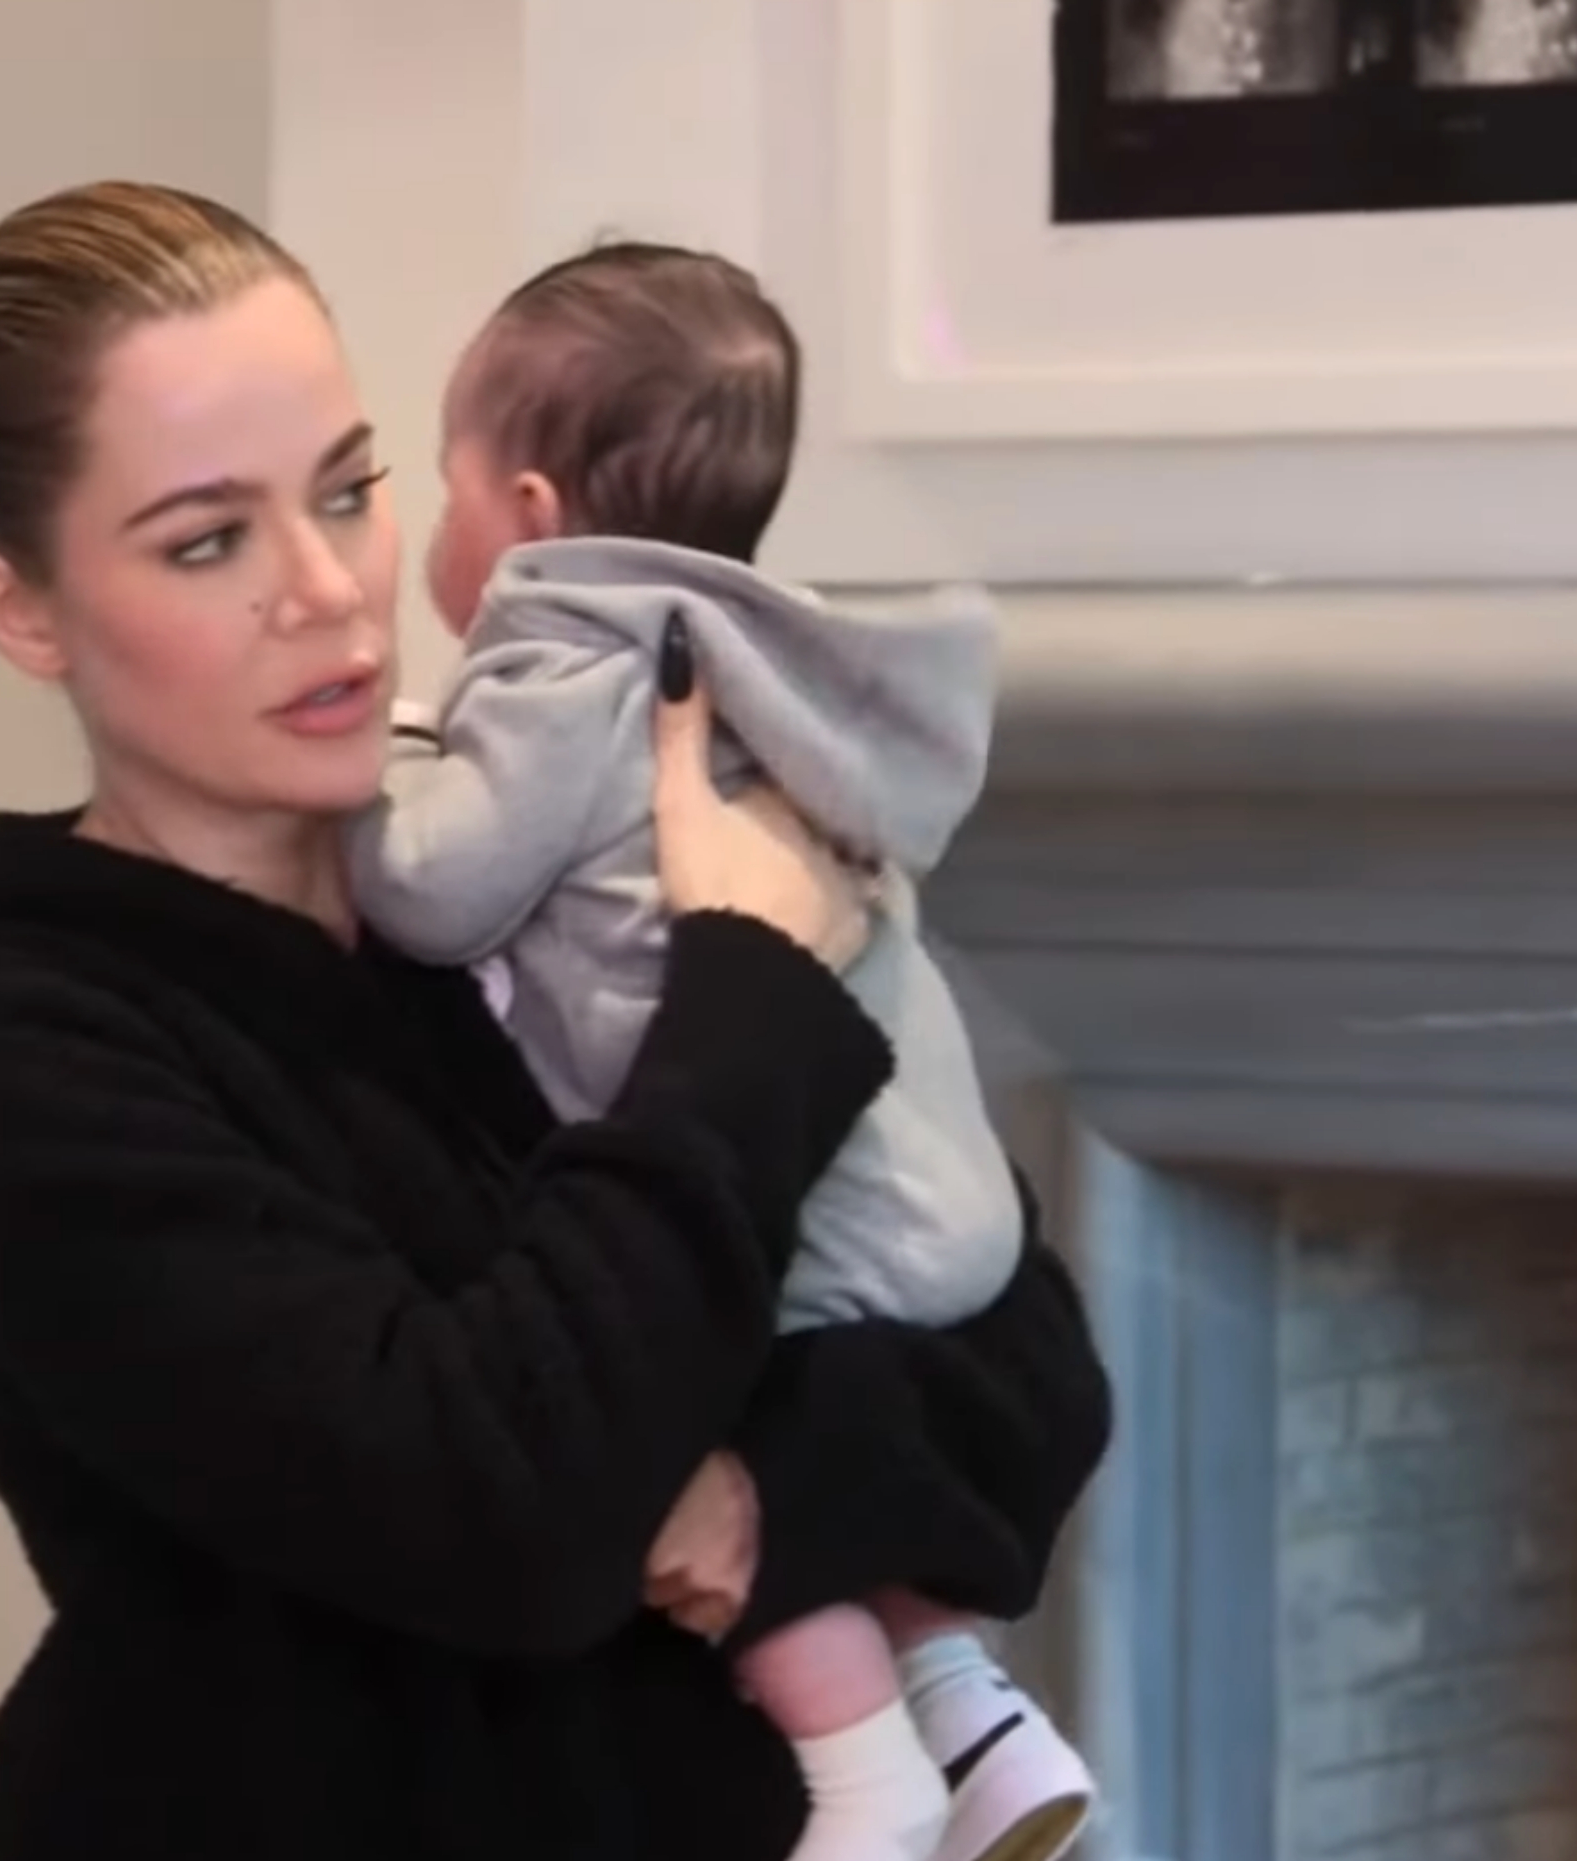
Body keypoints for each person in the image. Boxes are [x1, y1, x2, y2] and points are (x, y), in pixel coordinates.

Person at [0, 179, 1111, 1861]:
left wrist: (755, 1484)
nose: (329, 590)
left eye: (348, 490)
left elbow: (1029, 1368)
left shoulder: (554, 854)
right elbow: (501, 1511)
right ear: (25, 610)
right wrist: (750, 992)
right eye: (208, 540)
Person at [346, 241, 1096, 1861]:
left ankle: (865, 1777)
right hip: (946, 1190)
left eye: (428, 486)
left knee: (710, 1410)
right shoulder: (776, 656)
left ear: (529, 512)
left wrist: (372, 788)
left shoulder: (558, 653)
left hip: (806, 1196)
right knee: (818, 1423)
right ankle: (971, 1707)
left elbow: (439, 888)